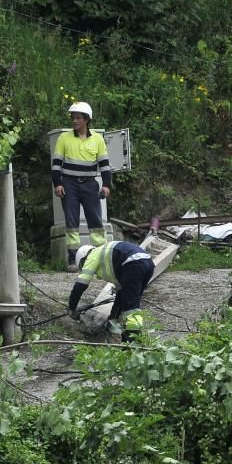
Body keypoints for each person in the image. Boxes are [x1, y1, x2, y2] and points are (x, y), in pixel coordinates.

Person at [52, 102, 112, 271]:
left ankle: (101, 258)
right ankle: (73, 260)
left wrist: (106, 185)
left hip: (90, 185)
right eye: (73, 118)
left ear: (86, 120)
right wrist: (57, 183)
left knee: (96, 221)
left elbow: (105, 165)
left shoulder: (98, 139)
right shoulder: (64, 138)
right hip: (69, 184)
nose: (74, 121)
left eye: (78, 118)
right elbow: (56, 164)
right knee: (71, 222)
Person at [68, 242, 154, 342]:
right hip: (148, 263)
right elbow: (120, 298)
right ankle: (131, 340)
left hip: (133, 264)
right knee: (130, 302)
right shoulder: (109, 258)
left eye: (83, 266)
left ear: (83, 258)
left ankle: (131, 344)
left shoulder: (92, 256)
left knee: (130, 308)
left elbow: (80, 285)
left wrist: (72, 307)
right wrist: (111, 320)